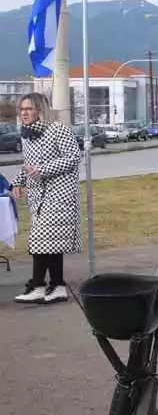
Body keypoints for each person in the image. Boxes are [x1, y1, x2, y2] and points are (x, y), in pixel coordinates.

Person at [10, 92, 82, 304]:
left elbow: (73, 157)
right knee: (50, 242)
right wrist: (18, 181)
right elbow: (28, 165)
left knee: (40, 240)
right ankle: (58, 286)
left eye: (29, 109)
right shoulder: (27, 135)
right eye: (22, 109)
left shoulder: (58, 129)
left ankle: (38, 285)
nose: (24, 113)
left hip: (60, 195)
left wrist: (42, 170)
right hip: (39, 196)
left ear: (40, 110)